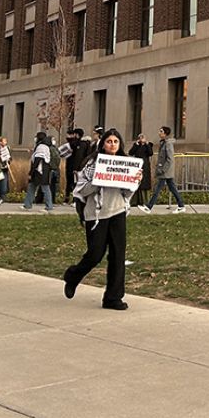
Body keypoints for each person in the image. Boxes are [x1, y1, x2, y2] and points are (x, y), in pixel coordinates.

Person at [63, 128, 134, 309]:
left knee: (118, 255)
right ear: (103, 143)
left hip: (117, 212)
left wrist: (133, 182)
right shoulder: (92, 163)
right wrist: (99, 180)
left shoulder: (125, 164)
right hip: (96, 215)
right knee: (95, 254)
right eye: (109, 141)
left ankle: (113, 297)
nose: (112, 145)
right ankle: (73, 276)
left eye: (115, 142)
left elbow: (126, 193)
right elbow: (81, 190)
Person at [143, 126, 185, 212]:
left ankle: (149, 207)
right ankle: (181, 205)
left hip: (165, 172)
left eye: (161, 131)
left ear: (165, 134)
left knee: (157, 189)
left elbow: (169, 159)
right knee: (172, 188)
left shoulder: (168, 144)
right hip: (165, 171)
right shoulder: (163, 143)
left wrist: (162, 170)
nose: (159, 133)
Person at [23, 132, 54, 211]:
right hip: (43, 170)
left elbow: (38, 160)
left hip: (40, 171)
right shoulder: (45, 146)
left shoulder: (41, 147)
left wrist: (31, 172)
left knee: (45, 188)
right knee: (32, 186)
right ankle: (27, 204)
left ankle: (49, 206)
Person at [129, 133, 155, 208]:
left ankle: (145, 201)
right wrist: (136, 144)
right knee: (137, 182)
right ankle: (135, 201)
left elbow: (150, 153)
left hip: (145, 165)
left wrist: (146, 144)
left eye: (143, 137)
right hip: (137, 165)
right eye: (140, 137)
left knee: (144, 183)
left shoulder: (148, 145)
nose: (141, 139)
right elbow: (131, 152)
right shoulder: (137, 145)